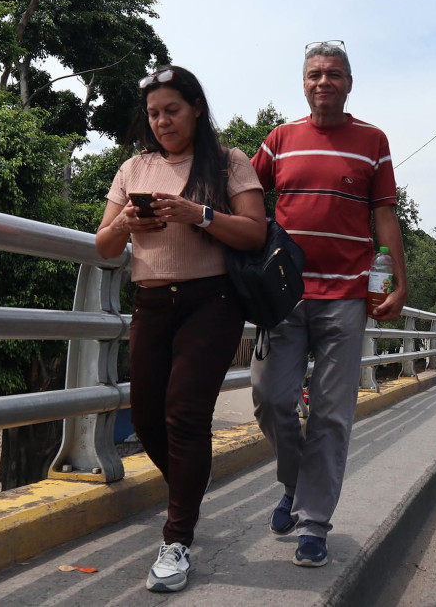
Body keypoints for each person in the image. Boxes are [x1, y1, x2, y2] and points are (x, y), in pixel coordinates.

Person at [95, 66, 267, 593]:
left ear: (196, 108)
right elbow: (102, 246)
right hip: (150, 302)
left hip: (211, 302)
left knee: (185, 414)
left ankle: (176, 540)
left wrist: (199, 214)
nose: (162, 120)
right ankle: (188, 491)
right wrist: (127, 223)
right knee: (146, 417)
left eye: (172, 109)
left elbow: (255, 233)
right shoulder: (133, 168)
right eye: (153, 113)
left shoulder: (228, 162)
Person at [250, 40, 408, 568]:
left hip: (346, 295)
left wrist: (397, 283)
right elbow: (244, 197)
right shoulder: (280, 140)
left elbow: (385, 217)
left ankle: (314, 522)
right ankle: (293, 486)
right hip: (285, 295)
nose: (324, 82)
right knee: (271, 400)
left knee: (331, 415)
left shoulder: (373, 141)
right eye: (315, 74)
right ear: (303, 82)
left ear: (348, 83)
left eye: (334, 74)